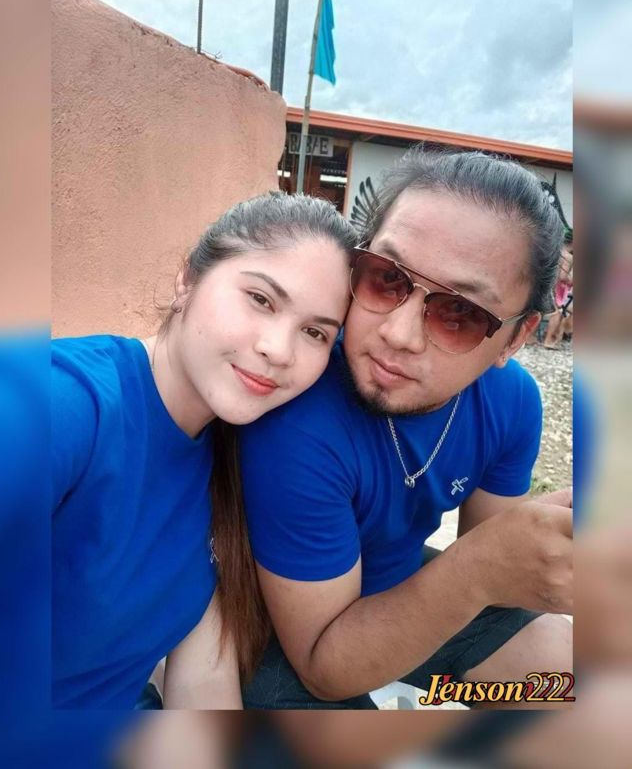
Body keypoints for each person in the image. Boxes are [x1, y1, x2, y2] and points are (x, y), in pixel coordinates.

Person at [239, 148, 573, 709]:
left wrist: (539, 550)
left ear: (516, 338)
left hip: (404, 587)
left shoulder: (511, 402)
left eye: (459, 313)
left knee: (567, 674)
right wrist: (480, 570)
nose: (397, 333)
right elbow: (324, 665)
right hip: (286, 628)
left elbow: (497, 574)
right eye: (386, 278)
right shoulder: (297, 414)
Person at [51, 191, 357, 709]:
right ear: (187, 279)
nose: (278, 350)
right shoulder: (69, 403)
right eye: (261, 299)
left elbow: (204, 679)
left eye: (314, 332)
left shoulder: (236, 461)